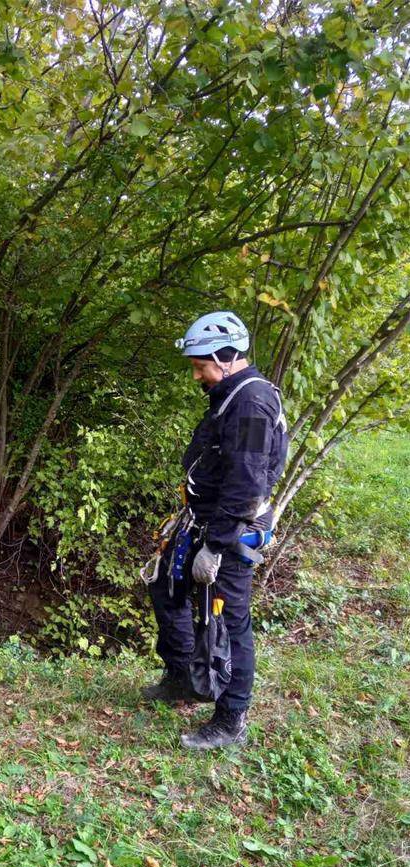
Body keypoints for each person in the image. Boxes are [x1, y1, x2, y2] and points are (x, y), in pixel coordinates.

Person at [144, 311, 289, 750]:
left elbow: (247, 485)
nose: (196, 375)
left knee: (227, 620)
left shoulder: (251, 404)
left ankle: (230, 719)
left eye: (200, 365)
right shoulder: (229, 395)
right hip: (202, 519)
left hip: (229, 528)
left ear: (226, 357)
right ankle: (183, 677)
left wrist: (217, 547)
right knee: (165, 587)